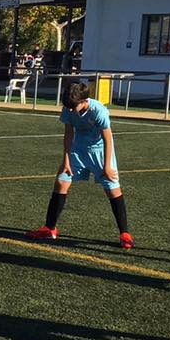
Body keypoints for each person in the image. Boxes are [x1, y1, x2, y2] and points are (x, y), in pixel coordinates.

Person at [26, 80, 133, 249]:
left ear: (84, 101)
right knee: (61, 182)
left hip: (100, 151)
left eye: (72, 107)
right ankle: (49, 228)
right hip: (78, 149)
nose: (69, 110)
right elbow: (68, 134)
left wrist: (107, 166)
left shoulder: (99, 111)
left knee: (112, 188)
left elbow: (107, 138)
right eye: (67, 106)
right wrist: (66, 160)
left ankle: (124, 234)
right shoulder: (69, 107)